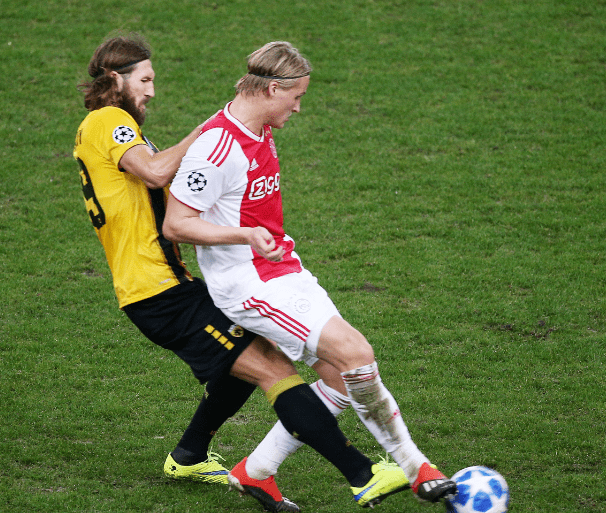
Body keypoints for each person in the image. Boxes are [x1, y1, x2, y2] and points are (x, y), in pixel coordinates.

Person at [73, 34, 409, 513]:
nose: (151, 91)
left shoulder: (111, 127)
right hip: (158, 293)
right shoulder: (107, 120)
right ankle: (362, 474)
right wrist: (213, 130)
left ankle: (189, 456)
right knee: (274, 370)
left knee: (252, 354)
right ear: (114, 78)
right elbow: (154, 172)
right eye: (144, 80)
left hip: (169, 283)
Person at [164, 40, 458, 506]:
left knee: (342, 377)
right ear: (271, 89)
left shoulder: (258, 128)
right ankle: (414, 466)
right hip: (250, 285)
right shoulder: (217, 148)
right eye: (296, 96)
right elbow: (176, 224)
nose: (299, 107)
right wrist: (245, 235)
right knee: (356, 353)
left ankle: (256, 471)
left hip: (284, 271)